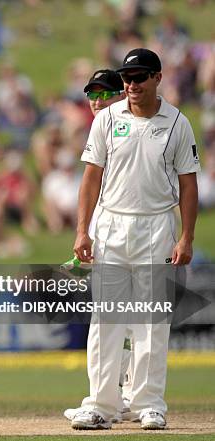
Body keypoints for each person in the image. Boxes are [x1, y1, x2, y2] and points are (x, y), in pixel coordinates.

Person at [70, 48, 200, 430]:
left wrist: (187, 237)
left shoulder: (177, 123)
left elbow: (187, 183)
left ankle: (148, 403)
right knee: (106, 321)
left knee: (151, 322)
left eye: (140, 77)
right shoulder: (107, 119)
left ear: (158, 78)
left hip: (157, 227)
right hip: (111, 226)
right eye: (127, 78)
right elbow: (91, 177)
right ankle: (101, 405)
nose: (131, 84)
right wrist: (82, 229)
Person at [63, 69, 134, 423]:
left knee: (130, 321)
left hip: (133, 234)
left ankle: (124, 397)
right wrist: (86, 233)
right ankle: (113, 396)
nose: (97, 101)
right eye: (92, 94)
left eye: (105, 94)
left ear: (121, 95)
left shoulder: (126, 129)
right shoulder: (102, 129)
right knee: (112, 320)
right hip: (108, 234)